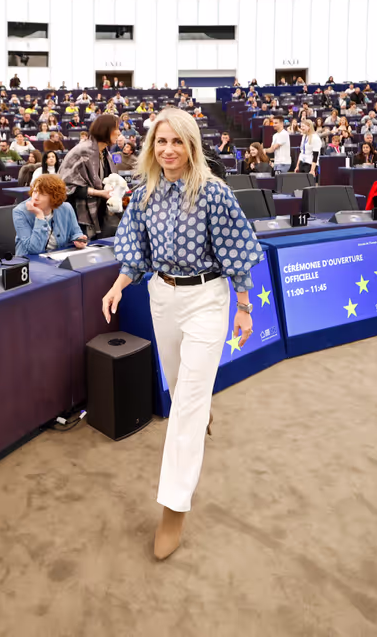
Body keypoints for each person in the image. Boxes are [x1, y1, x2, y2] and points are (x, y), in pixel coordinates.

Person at [102, 108, 261, 561]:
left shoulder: (213, 192)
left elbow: (237, 251)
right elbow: (134, 252)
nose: (167, 150)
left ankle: (174, 506)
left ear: (191, 145)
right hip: (161, 297)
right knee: (181, 388)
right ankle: (201, 400)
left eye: (176, 142)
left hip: (207, 299)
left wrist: (244, 308)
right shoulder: (144, 193)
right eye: (160, 142)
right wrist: (117, 285)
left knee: (185, 411)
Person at [59, 114, 119, 239]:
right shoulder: (83, 151)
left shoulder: (104, 153)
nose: (119, 133)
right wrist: (100, 193)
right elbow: (65, 186)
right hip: (79, 215)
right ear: (105, 130)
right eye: (116, 129)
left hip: (99, 212)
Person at [13, 174, 87, 256]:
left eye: (42, 194)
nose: (36, 197)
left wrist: (78, 239)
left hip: (57, 257)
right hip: (30, 261)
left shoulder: (66, 208)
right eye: (35, 191)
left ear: (53, 196)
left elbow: (76, 233)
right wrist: (39, 216)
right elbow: (34, 249)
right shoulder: (20, 212)